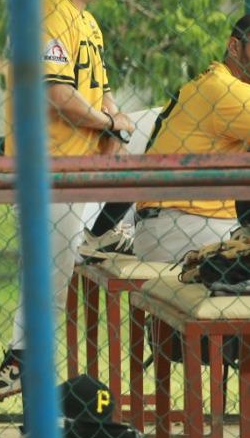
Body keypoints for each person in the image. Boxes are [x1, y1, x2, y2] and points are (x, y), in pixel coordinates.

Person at [0, 0, 137, 403]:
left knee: (149, 126)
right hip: (49, 171)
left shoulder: (87, 22)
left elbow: (102, 94)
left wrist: (114, 122)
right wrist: (110, 125)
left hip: (81, 171)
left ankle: (105, 228)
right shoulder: (50, 11)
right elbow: (57, 96)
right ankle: (20, 361)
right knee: (48, 280)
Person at [84, 13, 250, 262]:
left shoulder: (210, 82)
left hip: (174, 224)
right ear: (234, 46)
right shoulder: (227, 90)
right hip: (188, 224)